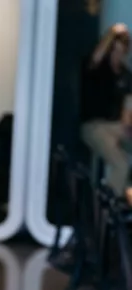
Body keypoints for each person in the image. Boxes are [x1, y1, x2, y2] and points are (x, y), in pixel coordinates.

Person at [80, 23, 132, 200]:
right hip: (94, 126)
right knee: (121, 164)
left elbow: (127, 106)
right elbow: (97, 55)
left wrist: (127, 127)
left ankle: (124, 195)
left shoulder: (125, 75)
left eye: (122, 49)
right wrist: (113, 32)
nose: (118, 53)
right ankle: (107, 208)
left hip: (115, 125)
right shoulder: (98, 67)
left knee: (123, 161)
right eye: (115, 49)